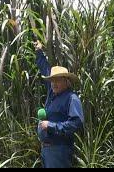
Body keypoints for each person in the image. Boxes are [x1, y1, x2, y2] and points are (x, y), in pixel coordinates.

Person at [34, 40, 84, 168]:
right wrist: (39, 51)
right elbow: (45, 69)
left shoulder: (71, 98)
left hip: (59, 150)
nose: (53, 83)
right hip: (47, 150)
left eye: (58, 80)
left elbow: (76, 123)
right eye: (52, 81)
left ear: (66, 81)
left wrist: (50, 126)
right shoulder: (53, 94)